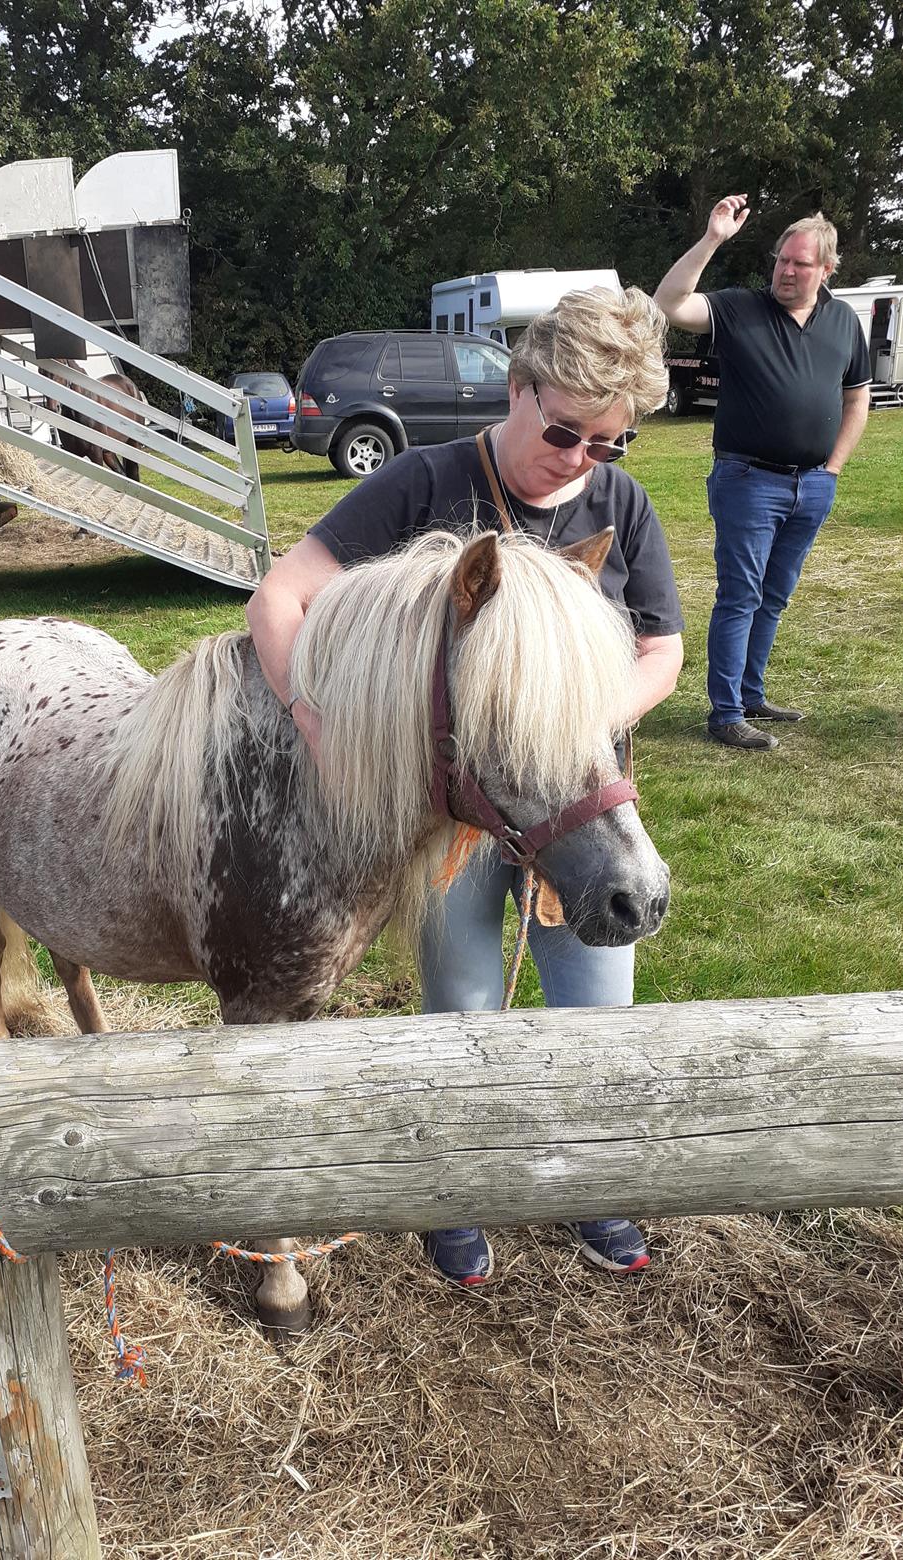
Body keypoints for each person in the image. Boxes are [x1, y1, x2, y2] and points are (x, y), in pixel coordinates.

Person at [247, 287, 684, 1281]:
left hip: (572, 803)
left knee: (596, 1007)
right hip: (453, 820)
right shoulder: (426, 482)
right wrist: (309, 716)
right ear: (520, 388)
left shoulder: (620, 507)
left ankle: (589, 1189)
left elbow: (663, 647)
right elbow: (280, 594)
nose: (579, 462)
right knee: (463, 1003)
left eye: (607, 445)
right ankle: (458, 1191)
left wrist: (585, 709)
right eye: (567, 431)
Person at [654, 197, 871, 750]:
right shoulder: (739, 308)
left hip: (812, 486)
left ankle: (751, 694)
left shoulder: (844, 321)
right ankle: (725, 713)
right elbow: (669, 304)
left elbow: (857, 398)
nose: (786, 271)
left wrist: (832, 471)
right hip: (747, 481)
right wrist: (712, 240)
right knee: (740, 596)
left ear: (826, 270)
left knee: (773, 596)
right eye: (781, 260)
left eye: (800, 264)